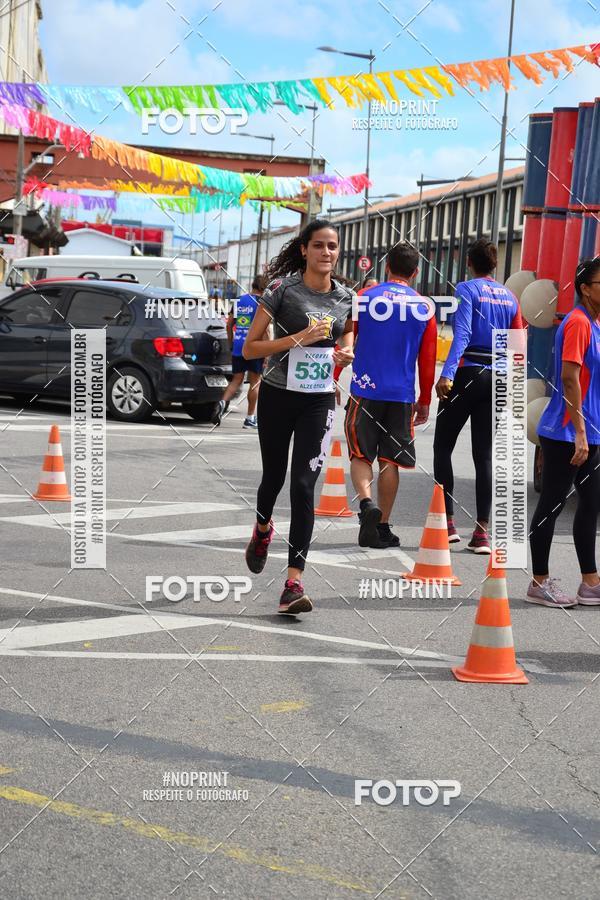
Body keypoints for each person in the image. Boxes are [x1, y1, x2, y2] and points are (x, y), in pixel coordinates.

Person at [242, 219, 355, 614]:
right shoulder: (281, 290)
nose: (328, 252)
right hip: (276, 395)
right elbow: (250, 350)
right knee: (273, 477)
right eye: (320, 245)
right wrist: (298, 339)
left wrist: (345, 353)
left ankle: (293, 583)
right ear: (304, 249)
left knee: (304, 486)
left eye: (333, 246)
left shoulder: (345, 296)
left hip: (318, 401)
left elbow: (345, 336)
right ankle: (261, 530)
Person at [433, 239, 523, 554]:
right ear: (495, 265)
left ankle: (448, 524)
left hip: (468, 372)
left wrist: (447, 374)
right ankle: (482, 532)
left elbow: (464, 334)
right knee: (483, 454)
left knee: (443, 444)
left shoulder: (467, 289)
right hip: (498, 377)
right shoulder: (510, 296)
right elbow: (517, 343)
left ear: (469, 263)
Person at [344, 242, 437, 548]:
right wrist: (424, 400)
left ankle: (367, 504)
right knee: (389, 461)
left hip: (364, 390)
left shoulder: (364, 298)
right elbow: (427, 359)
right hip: (401, 395)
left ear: (386, 268)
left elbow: (345, 342)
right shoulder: (423, 308)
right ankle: (382, 526)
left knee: (360, 454)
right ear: (416, 272)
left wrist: (332, 379)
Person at [526, 258, 600, 608]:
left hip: (591, 432)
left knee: (591, 504)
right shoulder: (578, 323)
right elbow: (570, 378)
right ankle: (539, 581)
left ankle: (590, 582)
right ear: (586, 288)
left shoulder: (596, 323)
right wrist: (581, 433)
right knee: (552, 504)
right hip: (566, 433)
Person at [214, 276, 266, 428]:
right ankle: (250, 419)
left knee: (236, 380)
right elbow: (264, 331)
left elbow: (229, 325)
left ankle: (222, 402)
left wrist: (231, 343)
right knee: (255, 382)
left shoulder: (238, 301)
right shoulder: (261, 303)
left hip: (238, 346)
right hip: (255, 348)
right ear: (263, 288)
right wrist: (268, 353)